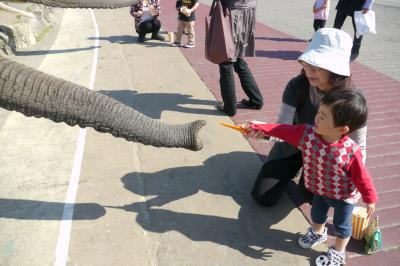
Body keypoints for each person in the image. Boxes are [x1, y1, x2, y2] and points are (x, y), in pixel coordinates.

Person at [244, 89, 378, 266]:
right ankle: (318, 232)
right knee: (317, 214)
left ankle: (338, 251)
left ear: (341, 129)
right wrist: (260, 127)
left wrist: (370, 198)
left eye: (323, 116)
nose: (316, 118)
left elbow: (362, 177)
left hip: (343, 196)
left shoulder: (350, 151)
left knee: (342, 225)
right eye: (318, 112)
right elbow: (282, 130)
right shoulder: (307, 133)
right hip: (320, 188)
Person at [250, 28, 367, 207]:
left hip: (328, 158)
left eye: (316, 66)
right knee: (263, 197)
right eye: (306, 64)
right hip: (292, 145)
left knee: (309, 196)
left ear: (336, 70)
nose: (308, 71)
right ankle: (293, 168)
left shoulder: (352, 100)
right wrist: (265, 131)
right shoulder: (298, 86)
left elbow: (358, 146)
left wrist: (356, 181)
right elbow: (283, 126)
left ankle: (305, 175)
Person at [217, 0, 263, 117]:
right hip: (248, 11)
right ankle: (256, 100)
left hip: (232, 13)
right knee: (239, 60)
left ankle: (230, 107)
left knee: (226, 62)